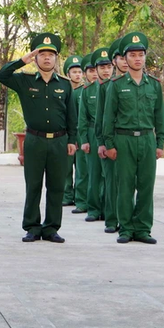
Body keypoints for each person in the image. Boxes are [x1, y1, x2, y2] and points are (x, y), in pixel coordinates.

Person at [0, 33, 77, 243]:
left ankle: (51, 228)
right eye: (42, 54)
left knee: (56, 186)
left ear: (56, 58)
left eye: (51, 54)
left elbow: (72, 115)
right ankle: (32, 226)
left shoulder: (66, 85)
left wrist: (72, 141)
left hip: (59, 141)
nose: (47, 58)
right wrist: (22, 60)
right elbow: (1, 75)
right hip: (34, 140)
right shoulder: (25, 80)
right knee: (33, 185)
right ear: (36, 57)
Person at [103, 32, 164, 244]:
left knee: (147, 186)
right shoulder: (117, 84)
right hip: (124, 140)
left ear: (145, 57)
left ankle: (142, 229)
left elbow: (160, 116)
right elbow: (108, 117)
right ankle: (126, 229)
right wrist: (109, 144)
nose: (137, 58)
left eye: (141, 54)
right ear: (125, 59)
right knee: (125, 186)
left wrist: (160, 143)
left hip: (148, 140)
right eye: (132, 55)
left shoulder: (154, 84)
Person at [95, 37, 128, 233]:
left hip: (130, 140)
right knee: (111, 181)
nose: (124, 61)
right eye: (120, 58)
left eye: (127, 57)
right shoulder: (106, 86)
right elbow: (100, 117)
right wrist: (101, 142)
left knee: (128, 181)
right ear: (115, 61)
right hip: (110, 139)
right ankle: (111, 220)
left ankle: (127, 220)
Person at [79, 47, 112, 223]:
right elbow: (82, 117)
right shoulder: (88, 90)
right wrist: (84, 140)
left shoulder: (116, 86)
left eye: (108, 67)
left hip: (112, 136)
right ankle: (93, 209)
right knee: (94, 173)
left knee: (110, 176)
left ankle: (108, 210)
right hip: (92, 134)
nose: (105, 71)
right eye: (101, 67)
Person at [71, 53, 97, 214]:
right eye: (90, 70)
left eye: (96, 70)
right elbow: (74, 117)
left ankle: (99, 202)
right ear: (85, 73)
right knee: (82, 170)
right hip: (83, 133)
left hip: (100, 133)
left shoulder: (110, 87)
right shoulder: (79, 92)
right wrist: (75, 138)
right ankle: (81, 201)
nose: (94, 73)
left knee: (99, 173)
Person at [62, 55, 86, 209]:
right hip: (66, 133)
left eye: (80, 72)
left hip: (81, 132)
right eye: (74, 72)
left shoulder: (85, 90)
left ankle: (80, 197)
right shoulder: (64, 90)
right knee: (65, 168)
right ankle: (66, 196)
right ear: (68, 74)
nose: (78, 74)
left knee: (81, 169)